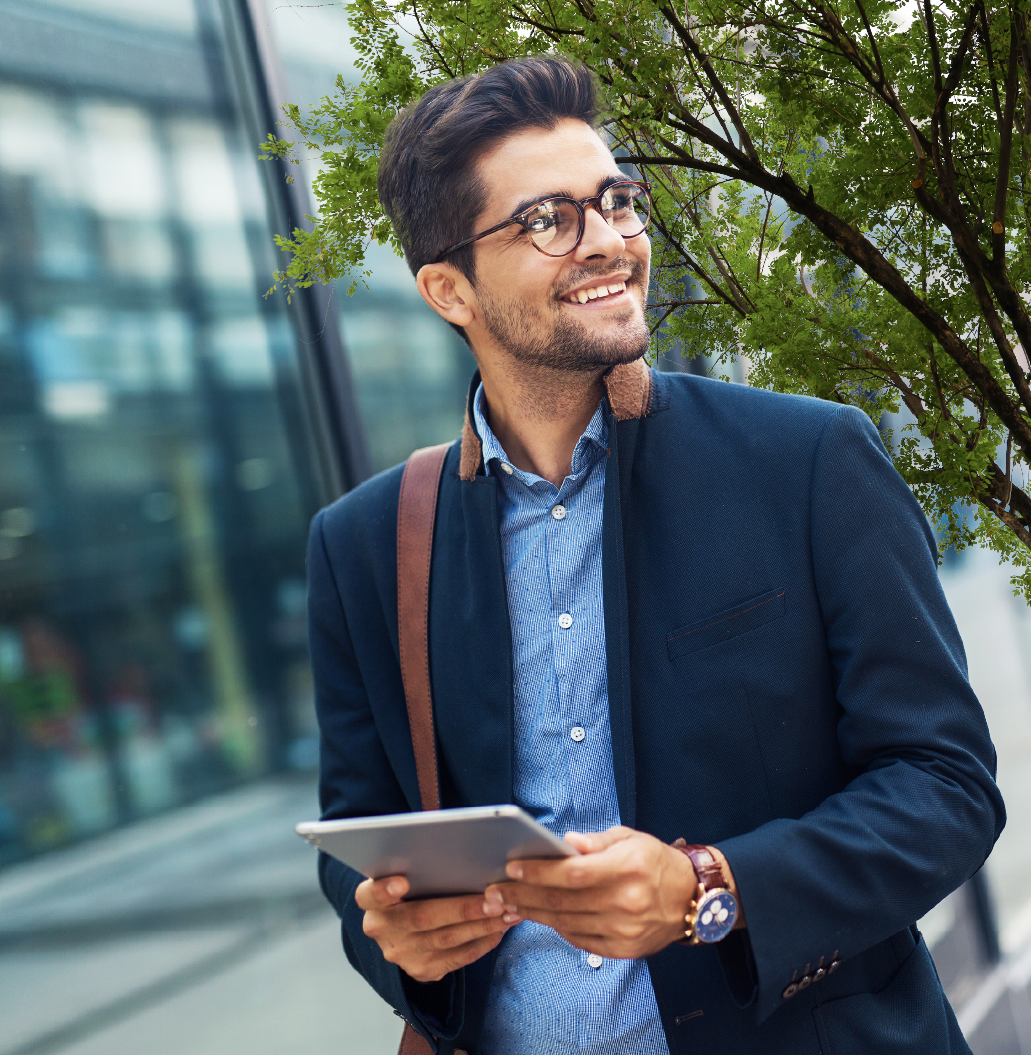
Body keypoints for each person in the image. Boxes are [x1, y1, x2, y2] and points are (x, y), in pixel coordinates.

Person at [305, 57, 1004, 1054]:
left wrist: (710, 885)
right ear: (448, 289)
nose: (609, 242)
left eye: (615, 201)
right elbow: (356, 839)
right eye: (548, 219)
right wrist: (396, 936)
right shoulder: (366, 546)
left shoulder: (808, 460)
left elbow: (945, 784)